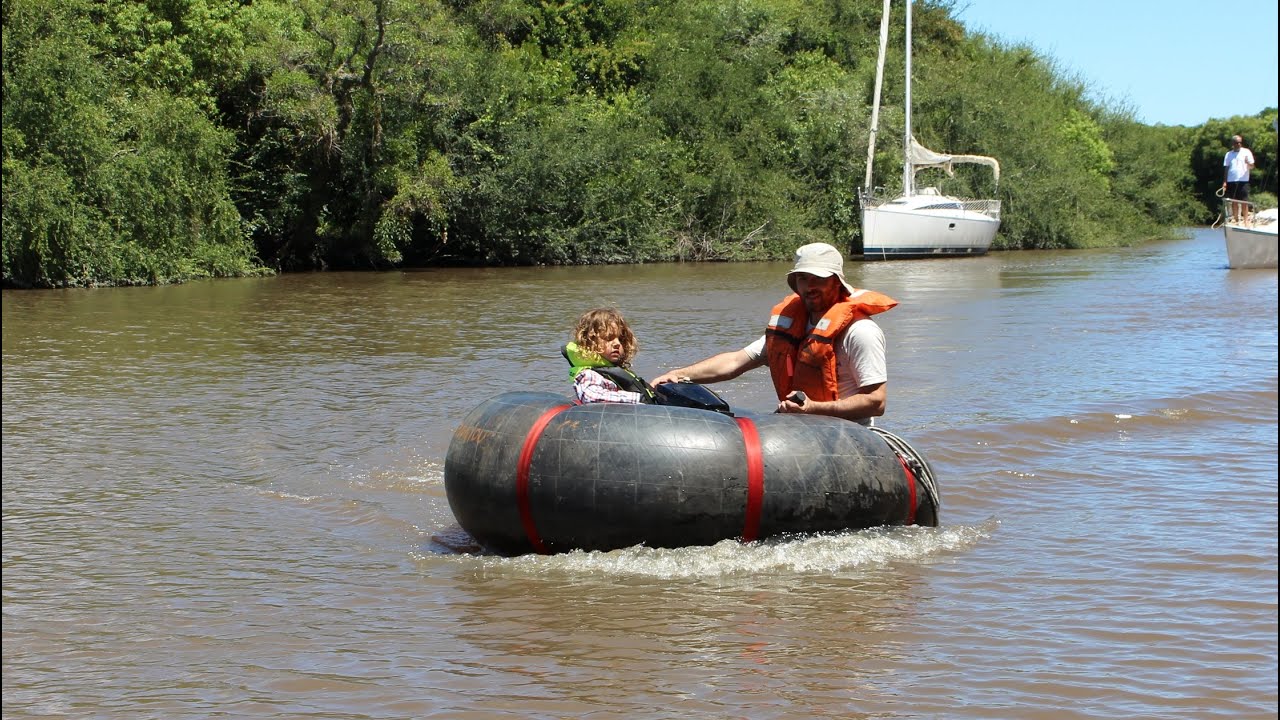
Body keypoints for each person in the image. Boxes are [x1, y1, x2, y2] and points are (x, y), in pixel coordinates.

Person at [651, 242, 897, 425]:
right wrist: (678, 375)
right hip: (799, 429)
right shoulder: (791, 328)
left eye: (818, 279)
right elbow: (735, 362)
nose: (810, 287)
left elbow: (876, 402)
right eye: (803, 278)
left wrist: (813, 408)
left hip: (851, 434)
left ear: (837, 282)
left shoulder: (860, 332)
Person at [562, 307, 657, 404]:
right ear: (589, 342)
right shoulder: (588, 374)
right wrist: (638, 398)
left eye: (621, 339)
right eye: (608, 338)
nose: (617, 343)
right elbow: (592, 396)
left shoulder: (614, 370)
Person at [1223, 134, 1256, 222]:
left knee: (1244, 201)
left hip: (1243, 180)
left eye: (1240, 142)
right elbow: (1226, 168)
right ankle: (1236, 219)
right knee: (1234, 201)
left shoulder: (1246, 152)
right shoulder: (1228, 154)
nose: (1239, 144)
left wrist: (1248, 163)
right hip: (1231, 180)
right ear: (1233, 143)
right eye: (1237, 143)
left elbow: (1252, 166)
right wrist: (1225, 182)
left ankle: (1245, 221)